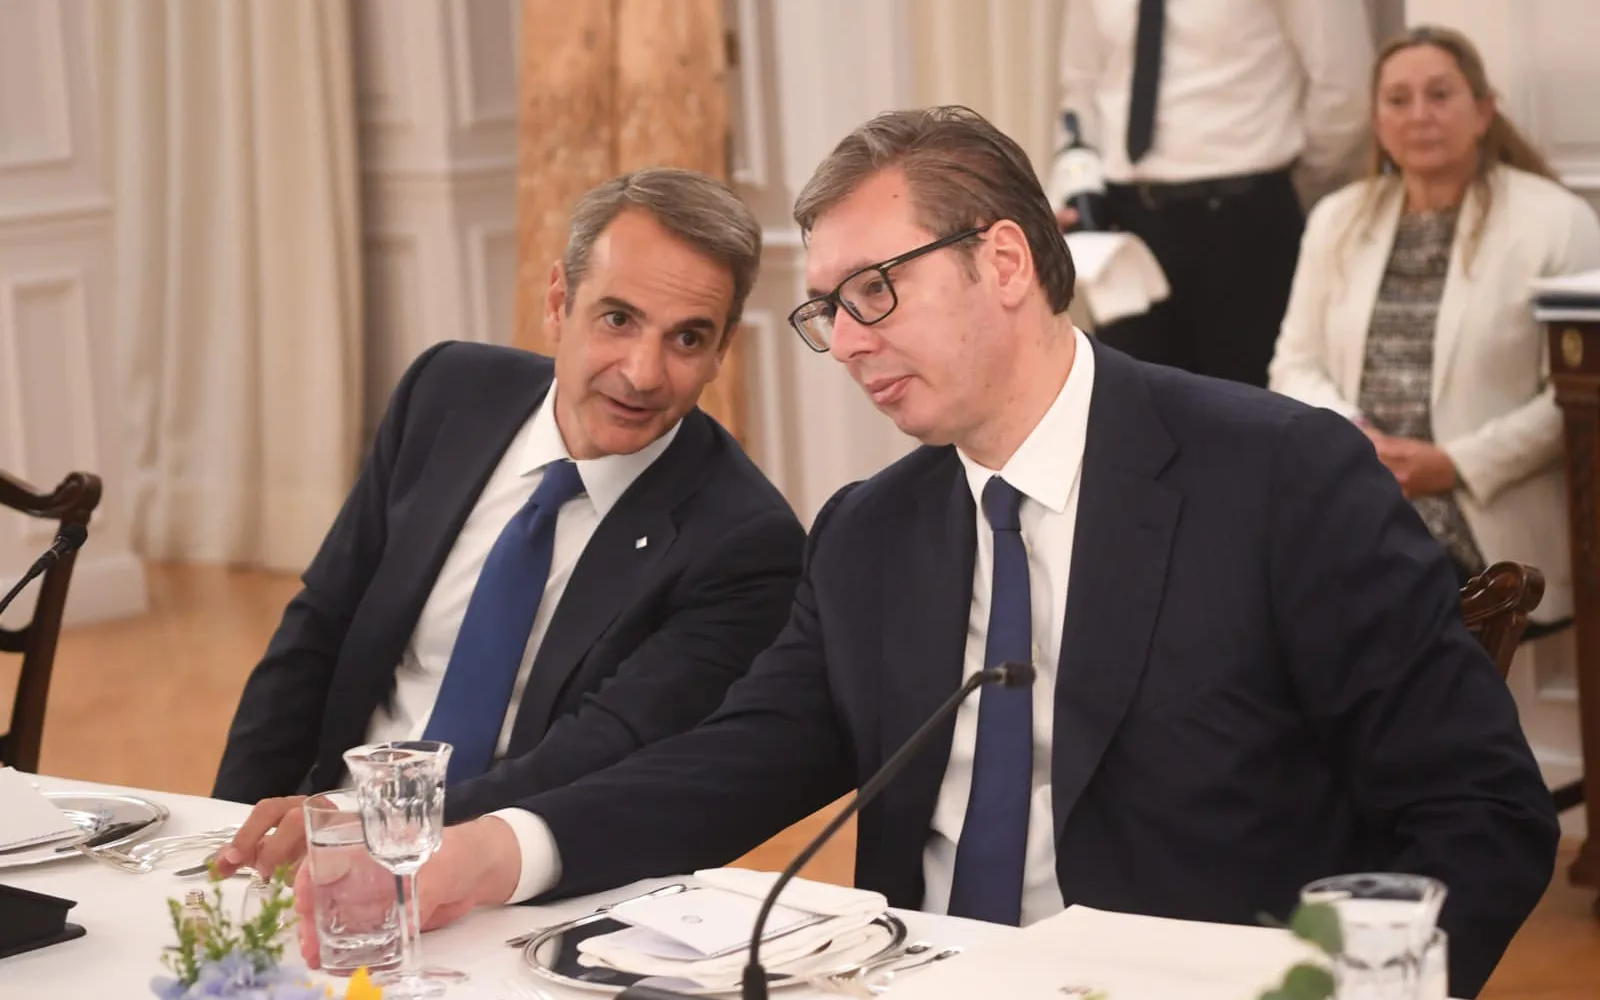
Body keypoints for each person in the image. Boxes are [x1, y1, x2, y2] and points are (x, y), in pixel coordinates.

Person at [294, 107, 1557, 999]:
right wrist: (494, 847)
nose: (845, 342)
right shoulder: (871, 531)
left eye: (873, 291)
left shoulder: (1276, 478)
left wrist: (1328, 991)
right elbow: (730, 762)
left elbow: (1479, 815)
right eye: (825, 310)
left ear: (1002, 260)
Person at [210, 168, 805, 876]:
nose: (644, 373)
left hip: (505, 876)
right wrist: (226, 833)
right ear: (557, 303)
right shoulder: (447, 392)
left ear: (721, 350)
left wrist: (376, 830)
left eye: (687, 339)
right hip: (326, 826)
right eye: (618, 320)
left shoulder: (744, 543)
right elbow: (318, 627)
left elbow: (596, 753)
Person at [1269, 24, 1600, 642]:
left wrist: (1453, 465)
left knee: (1359, 611)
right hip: (1356, 496)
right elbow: (1293, 365)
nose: (1419, 115)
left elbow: (1574, 397)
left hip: (1483, 523)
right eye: (1398, 100)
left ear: (1483, 110)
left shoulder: (1557, 221)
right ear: (1377, 121)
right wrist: (1356, 440)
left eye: (1440, 94)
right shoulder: (1336, 218)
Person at [1048, 0, 1373, 387]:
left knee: (1247, 407)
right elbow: (1081, 89)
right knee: (1133, 403)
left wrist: (1288, 178)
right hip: (1129, 225)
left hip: (1245, 224)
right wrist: (1077, 186)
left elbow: (1345, 90)